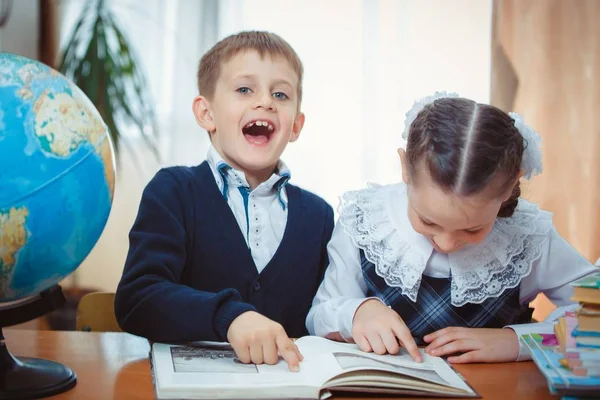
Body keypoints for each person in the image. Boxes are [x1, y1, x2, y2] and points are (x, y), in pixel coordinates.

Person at [306, 92, 598, 364]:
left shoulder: (527, 236)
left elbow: (592, 315)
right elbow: (319, 315)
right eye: (428, 221)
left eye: (472, 230)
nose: (445, 244)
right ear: (405, 168)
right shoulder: (364, 219)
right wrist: (356, 313)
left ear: (510, 187)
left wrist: (518, 341)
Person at [115, 31, 334, 372]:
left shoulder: (319, 216)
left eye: (280, 94)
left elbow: (329, 310)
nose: (265, 102)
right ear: (206, 114)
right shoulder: (173, 191)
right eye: (245, 89)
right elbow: (138, 299)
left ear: (295, 125)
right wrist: (228, 316)